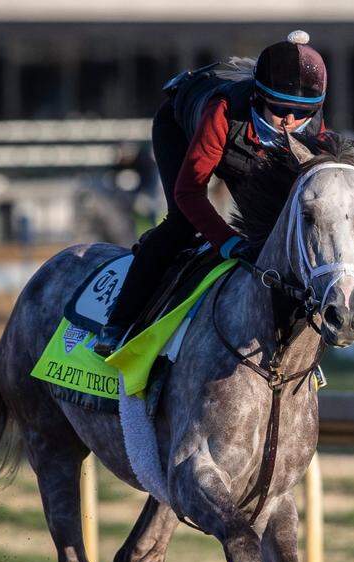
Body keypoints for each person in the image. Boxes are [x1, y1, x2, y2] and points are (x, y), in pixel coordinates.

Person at [94, 30, 329, 355]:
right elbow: (189, 193)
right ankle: (118, 324)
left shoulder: (315, 128)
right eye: (280, 109)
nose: (290, 121)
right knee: (182, 225)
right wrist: (229, 242)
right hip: (182, 127)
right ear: (260, 98)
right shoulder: (221, 111)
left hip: (247, 148)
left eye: (302, 113)